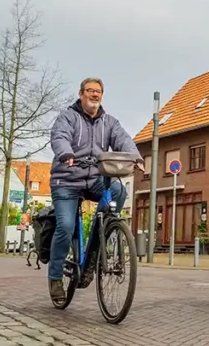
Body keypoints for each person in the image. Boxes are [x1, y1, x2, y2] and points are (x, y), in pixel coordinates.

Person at [47, 77, 142, 301]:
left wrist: (136, 158)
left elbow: (124, 140)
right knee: (66, 226)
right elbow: (59, 136)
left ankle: (100, 239)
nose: (94, 94)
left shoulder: (109, 122)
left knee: (118, 191)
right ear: (81, 94)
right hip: (67, 180)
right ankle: (55, 277)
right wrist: (65, 153)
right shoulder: (68, 117)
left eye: (98, 91)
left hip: (96, 179)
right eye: (90, 90)